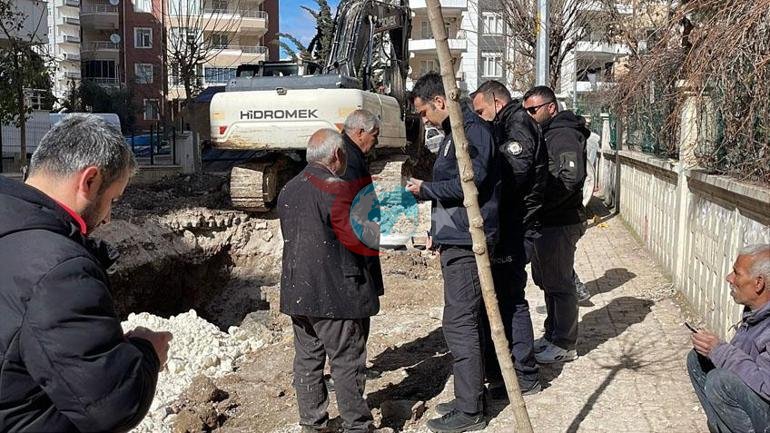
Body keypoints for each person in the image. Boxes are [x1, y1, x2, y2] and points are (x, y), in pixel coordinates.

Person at [0, 114, 172, 432]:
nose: (108, 218)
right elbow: (113, 405)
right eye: (112, 200)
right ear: (89, 181)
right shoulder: (58, 270)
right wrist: (148, 352)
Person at [405, 72, 500, 433]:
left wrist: (425, 189)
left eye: (425, 113)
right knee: (464, 322)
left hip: (468, 243)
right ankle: (470, 396)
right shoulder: (451, 136)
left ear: (440, 102)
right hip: (455, 237)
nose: (424, 120)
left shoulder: (471, 133)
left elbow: (469, 183)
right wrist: (437, 231)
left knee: (460, 324)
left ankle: (471, 410)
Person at [278, 128, 382, 433]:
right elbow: (358, 242)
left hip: (299, 291)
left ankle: (312, 424)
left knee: (308, 360)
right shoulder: (337, 189)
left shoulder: (289, 189)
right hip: (335, 295)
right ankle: (357, 426)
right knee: (346, 361)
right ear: (336, 155)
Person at [470, 80, 547, 396]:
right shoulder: (508, 122)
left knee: (511, 300)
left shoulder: (517, 124)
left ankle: (525, 376)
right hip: (512, 225)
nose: (479, 117)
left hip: (516, 229)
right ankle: (510, 372)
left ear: (495, 102)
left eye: (481, 110)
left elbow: (514, 173)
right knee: (503, 298)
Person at [522, 86, 589, 364]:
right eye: (526, 110)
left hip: (560, 222)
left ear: (551, 107)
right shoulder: (548, 132)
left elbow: (570, 178)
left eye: (533, 110)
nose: (529, 115)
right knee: (548, 281)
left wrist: (541, 203)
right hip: (548, 221)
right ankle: (553, 334)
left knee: (560, 284)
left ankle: (565, 343)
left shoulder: (563, 134)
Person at [687, 244, 770, 432]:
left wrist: (720, 350)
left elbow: (767, 386)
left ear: (758, 283)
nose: (729, 278)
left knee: (720, 381)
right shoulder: (755, 313)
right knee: (697, 359)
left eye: (736, 273)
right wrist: (712, 350)